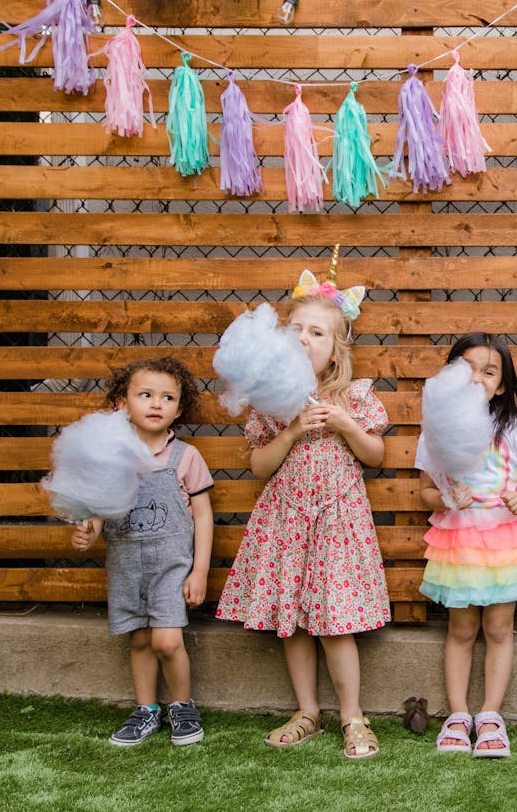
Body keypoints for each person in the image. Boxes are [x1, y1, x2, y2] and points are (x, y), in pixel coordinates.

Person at [216, 272, 390, 759]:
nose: (304, 338)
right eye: (296, 329)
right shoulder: (271, 402)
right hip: (287, 522)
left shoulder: (353, 396)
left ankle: (353, 715)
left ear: (335, 351)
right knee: (290, 620)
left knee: (336, 623)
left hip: (336, 524)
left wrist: (346, 425)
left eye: (317, 333)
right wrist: (291, 431)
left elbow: (375, 454)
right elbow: (259, 466)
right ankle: (307, 711)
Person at [418, 333, 517, 758]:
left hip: (505, 538)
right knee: (460, 630)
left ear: (501, 385)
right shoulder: (437, 428)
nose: (477, 378)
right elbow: (424, 490)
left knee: (498, 629)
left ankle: (491, 715)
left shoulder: (510, 426)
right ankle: (458, 715)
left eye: (489, 371)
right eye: (468, 368)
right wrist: (444, 498)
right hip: (459, 538)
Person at [72, 356, 214, 747]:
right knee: (138, 640)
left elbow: (202, 516)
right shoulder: (111, 458)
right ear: (122, 403)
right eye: (146, 395)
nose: (156, 404)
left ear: (179, 410)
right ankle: (146, 710)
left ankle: (182, 706)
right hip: (126, 568)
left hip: (170, 567)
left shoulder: (185, 457)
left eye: (167, 398)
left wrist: (199, 570)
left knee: (167, 641)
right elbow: (101, 511)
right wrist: (90, 531)